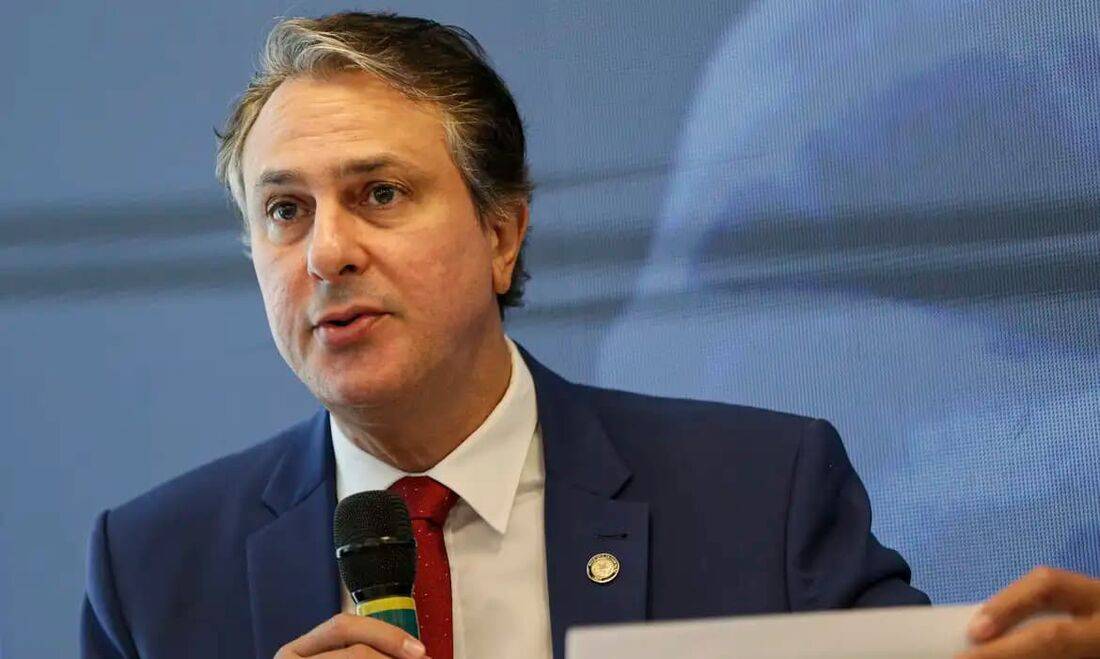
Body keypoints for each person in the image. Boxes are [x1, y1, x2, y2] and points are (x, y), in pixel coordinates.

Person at [80, 12, 1100, 659]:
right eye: (283, 211)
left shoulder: (760, 493)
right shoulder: (155, 567)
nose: (326, 252)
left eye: (379, 193)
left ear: (500, 233)